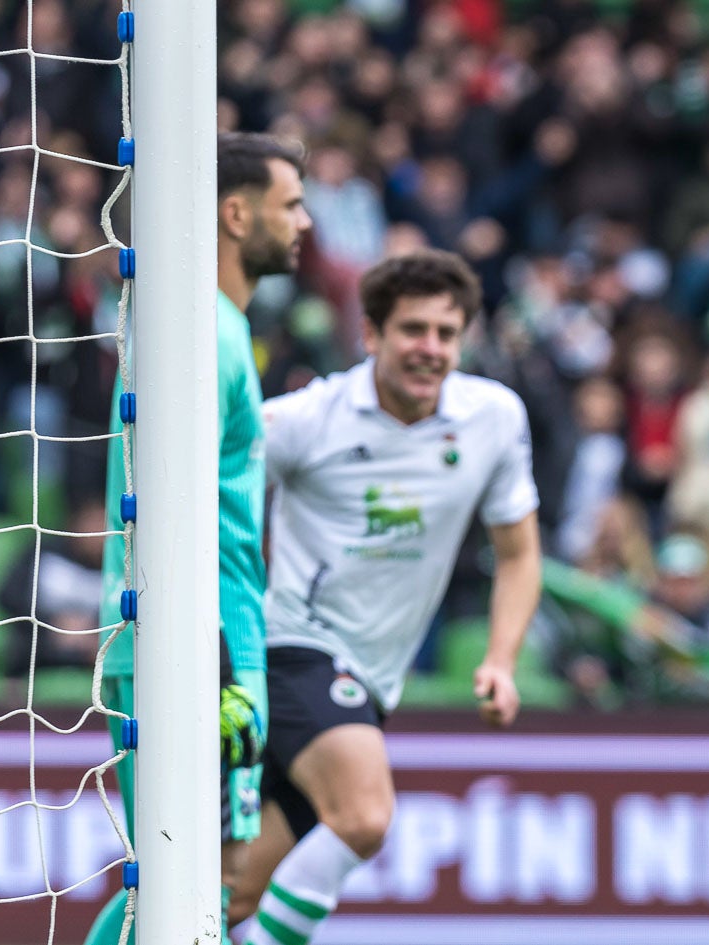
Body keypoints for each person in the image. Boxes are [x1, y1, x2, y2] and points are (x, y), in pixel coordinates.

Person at [228, 250, 542, 945]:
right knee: (365, 815)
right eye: (412, 330)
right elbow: (216, 470)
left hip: (370, 680)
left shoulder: (492, 417)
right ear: (369, 333)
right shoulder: (309, 417)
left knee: (228, 891)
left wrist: (501, 658)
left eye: (445, 333)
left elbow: (518, 553)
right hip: (293, 645)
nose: (429, 349)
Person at [85, 131, 313, 945]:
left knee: (211, 883)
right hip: (188, 653)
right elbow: (178, 509)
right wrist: (213, 659)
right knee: (181, 881)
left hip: (219, 644)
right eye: (291, 204)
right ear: (234, 210)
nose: (306, 221)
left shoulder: (222, 330)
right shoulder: (201, 336)